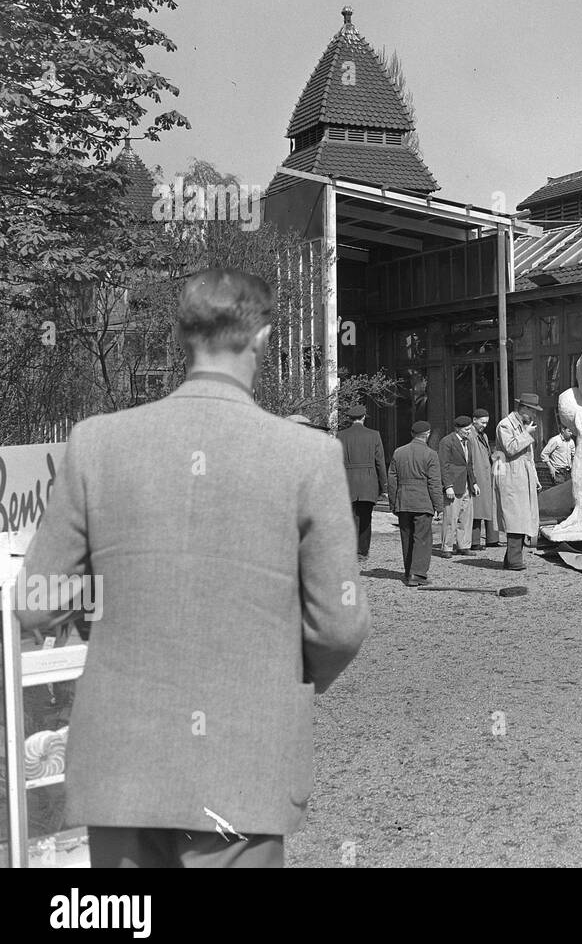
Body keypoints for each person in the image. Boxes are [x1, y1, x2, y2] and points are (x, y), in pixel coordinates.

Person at [19, 268, 369, 867]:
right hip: (244, 761)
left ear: (181, 336)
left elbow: (34, 600)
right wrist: (282, 676)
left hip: (121, 764)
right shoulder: (308, 455)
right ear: (261, 336)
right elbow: (339, 623)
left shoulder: (96, 443)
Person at [388, 420, 444, 587]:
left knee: (406, 537)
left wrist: (393, 503)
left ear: (412, 434)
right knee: (422, 538)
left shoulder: (398, 452)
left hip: (403, 501)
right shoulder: (431, 454)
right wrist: (439, 506)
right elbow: (434, 483)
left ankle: (408, 571)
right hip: (422, 501)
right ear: (427, 435)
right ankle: (417, 573)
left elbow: (392, 480)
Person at [495, 393, 543, 571]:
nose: (533, 416)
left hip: (524, 477)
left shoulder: (523, 425)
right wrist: (526, 434)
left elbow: (529, 458)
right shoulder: (505, 425)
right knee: (515, 519)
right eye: (532, 411)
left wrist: (535, 478)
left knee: (524, 518)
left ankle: (512, 559)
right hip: (512, 478)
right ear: (524, 409)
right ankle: (514, 560)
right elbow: (510, 448)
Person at [337, 402, 387, 564]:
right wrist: (383, 485)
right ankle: (362, 552)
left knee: (349, 518)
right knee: (366, 518)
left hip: (347, 480)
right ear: (364, 417)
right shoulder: (374, 435)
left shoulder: (341, 435)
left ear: (351, 419)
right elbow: (380, 461)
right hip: (368, 481)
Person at [438, 415, 478, 557]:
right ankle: (447, 547)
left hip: (466, 484)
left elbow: (469, 465)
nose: (468, 432)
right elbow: (443, 465)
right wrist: (447, 485)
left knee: (466, 517)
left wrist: (474, 482)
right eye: (466, 429)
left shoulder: (468, 442)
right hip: (454, 485)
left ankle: (464, 545)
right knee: (451, 517)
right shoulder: (447, 442)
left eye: (470, 429)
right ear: (458, 429)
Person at [469, 408, 500, 548]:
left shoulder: (483, 436)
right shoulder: (470, 436)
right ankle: (474, 541)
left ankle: (492, 539)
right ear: (474, 420)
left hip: (486, 475)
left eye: (486, 423)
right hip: (478, 475)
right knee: (477, 510)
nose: (485, 425)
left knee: (488, 507)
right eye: (482, 422)